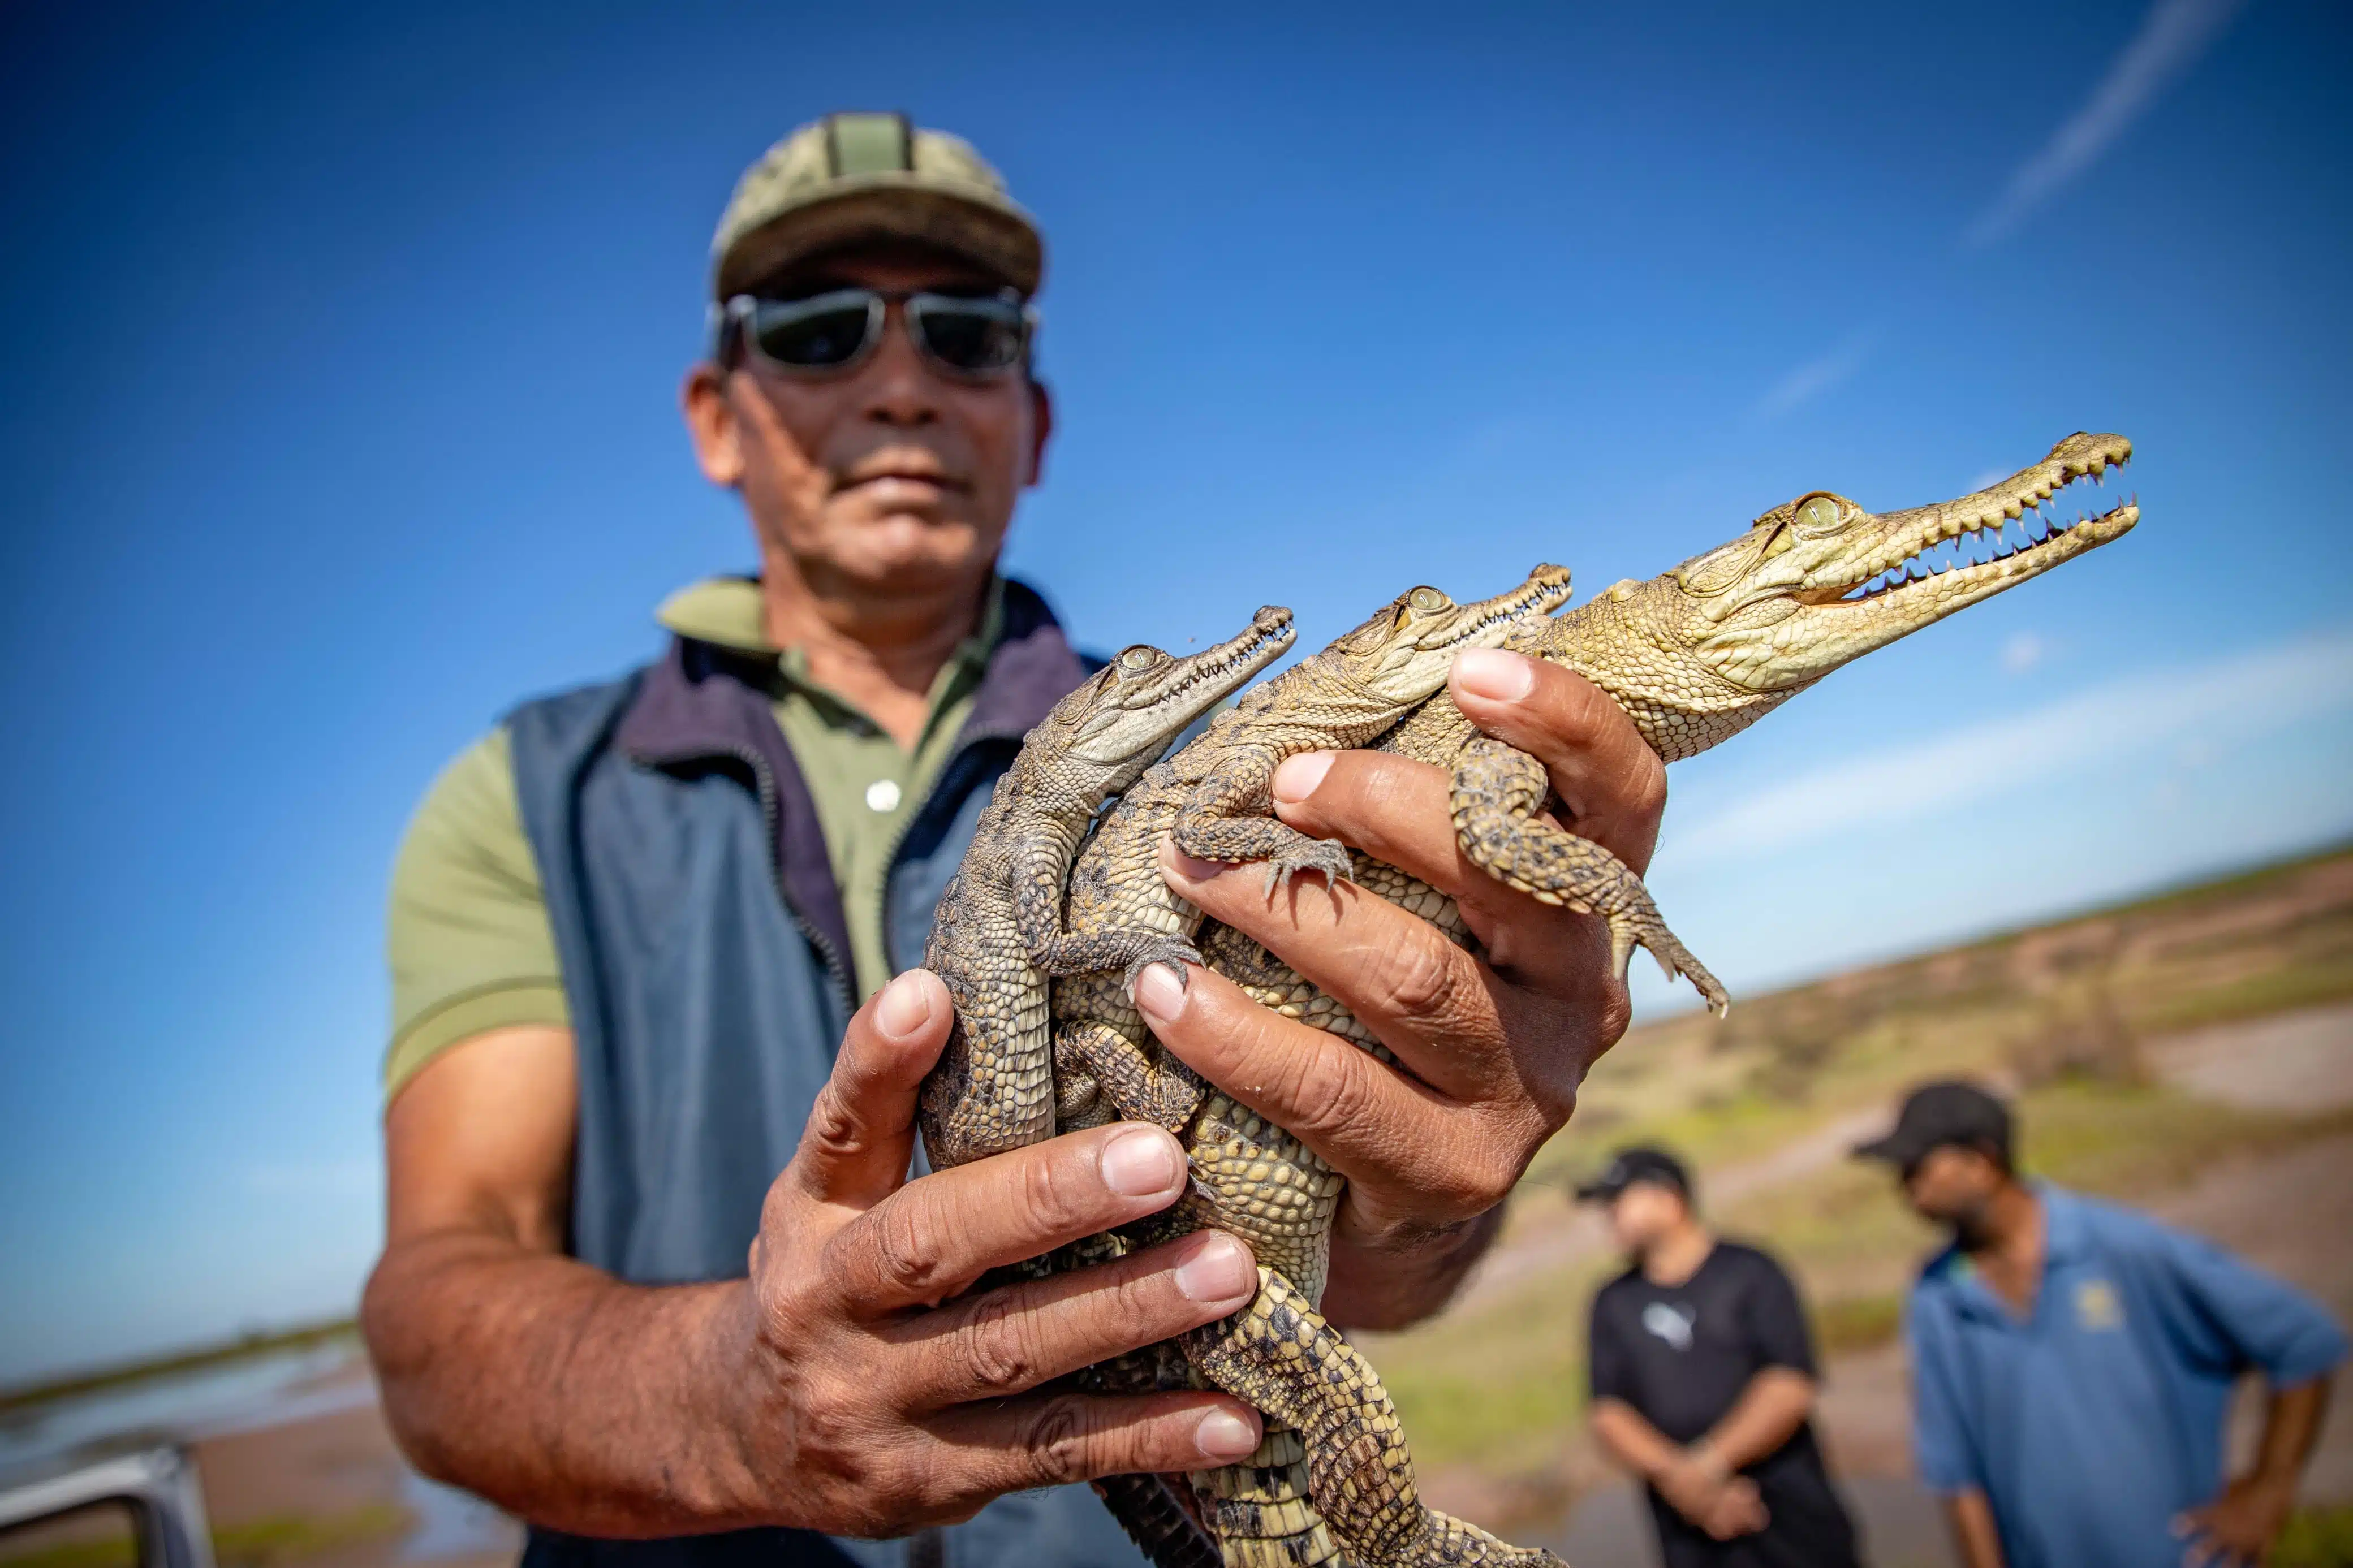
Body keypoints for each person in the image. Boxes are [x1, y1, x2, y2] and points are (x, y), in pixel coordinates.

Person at [360, 111, 1675, 1568]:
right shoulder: (526, 797)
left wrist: (1422, 1185)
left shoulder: (1224, 777)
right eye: (816, 329)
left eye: (969, 334)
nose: (904, 385)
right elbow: (430, 1312)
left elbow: (1359, 1261)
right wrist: (730, 1402)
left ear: (1034, 420)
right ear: (717, 415)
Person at [1856, 1079, 2347, 1568]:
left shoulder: (2122, 1248)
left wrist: (2268, 1489)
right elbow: (1957, 1470)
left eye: (1918, 1167)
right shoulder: (1937, 1294)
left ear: (1982, 1163)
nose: (1906, 1185)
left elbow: (2302, 1343)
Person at [1579, 1146, 1863, 1568]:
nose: (1609, 1214)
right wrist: (1685, 1482)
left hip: (1788, 1513)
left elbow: (1789, 1384)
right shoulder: (1612, 1302)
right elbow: (1608, 1412)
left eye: (1618, 1200)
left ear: (1669, 1198)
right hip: (1687, 1528)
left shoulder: (1752, 1272)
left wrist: (1708, 1466)